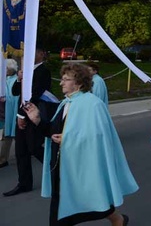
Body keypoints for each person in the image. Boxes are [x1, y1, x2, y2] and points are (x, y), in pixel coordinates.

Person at [23, 63, 137, 225]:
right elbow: (54, 132)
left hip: (81, 166)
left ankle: (117, 219)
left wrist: (68, 139)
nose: (61, 83)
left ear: (78, 83)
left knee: (89, 200)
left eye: (66, 79)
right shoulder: (65, 103)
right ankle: (117, 218)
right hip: (62, 166)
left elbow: (98, 137)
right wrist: (37, 119)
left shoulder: (93, 104)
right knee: (71, 205)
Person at [4, 47, 53, 197]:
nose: (29, 55)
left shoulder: (43, 71)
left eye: (34, 52)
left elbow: (35, 94)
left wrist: (21, 115)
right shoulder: (27, 71)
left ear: (41, 53)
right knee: (21, 151)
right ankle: (24, 183)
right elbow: (15, 92)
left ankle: (58, 168)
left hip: (33, 115)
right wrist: (19, 79)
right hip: (23, 114)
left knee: (34, 147)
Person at [0, 59, 20, 168]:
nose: (5, 70)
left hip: (14, 110)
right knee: (7, 135)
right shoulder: (3, 79)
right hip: (6, 111)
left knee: (19, 136)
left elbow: (15, 95)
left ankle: (27, 153)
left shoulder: (17, 79)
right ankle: (3, 159)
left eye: (7, 68)